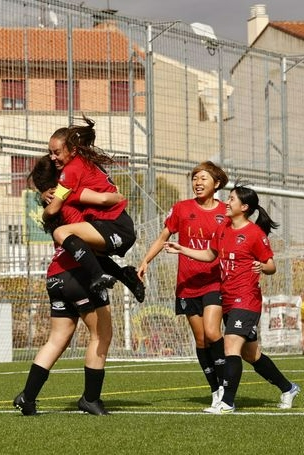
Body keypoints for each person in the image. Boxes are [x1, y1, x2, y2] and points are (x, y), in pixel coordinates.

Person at [165, 183, 300, 413]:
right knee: (251, 354)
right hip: (227, 298)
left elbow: (271, 265)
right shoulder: (223, 228)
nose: (227, 202)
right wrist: (182, 249)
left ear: (244, 207)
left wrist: (261, 266)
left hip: (246, 299)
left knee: (230, 345)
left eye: (232, 199)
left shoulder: (254, 234)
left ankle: (226, 402)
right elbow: (210, 255)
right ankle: (288, 388)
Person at [13, 157, 125, 416]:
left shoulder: (51, 202)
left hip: (56, 275)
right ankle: (90, 399)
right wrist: (115, 196)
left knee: (56, 339)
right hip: (78, 272)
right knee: (101, 335)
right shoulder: (73, 197)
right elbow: (106, 200)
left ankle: (27, 396)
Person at [137, 161, 229, 411]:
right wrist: (146, 260)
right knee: (201, 340)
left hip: (214, 282)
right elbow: (163, 237)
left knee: (212, 332)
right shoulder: (181, 208)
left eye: (203, 178)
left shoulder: (226, 212)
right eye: (195, 178)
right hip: (187, 285)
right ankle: (215, 390)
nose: (198, 183)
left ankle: (226, 387)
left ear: (216, 184)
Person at [43, 117, 143, 300]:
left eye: (57, 153)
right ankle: (125, 275)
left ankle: (99, 275)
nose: (52, 157)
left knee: (60, 233)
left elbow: (52, 210)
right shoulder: (84, 165)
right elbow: (104, 195)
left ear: (72, 150)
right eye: (50, 153)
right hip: (118, 225)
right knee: (84, 250)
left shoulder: (70, 172)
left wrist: (44, 211)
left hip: (115, 225)